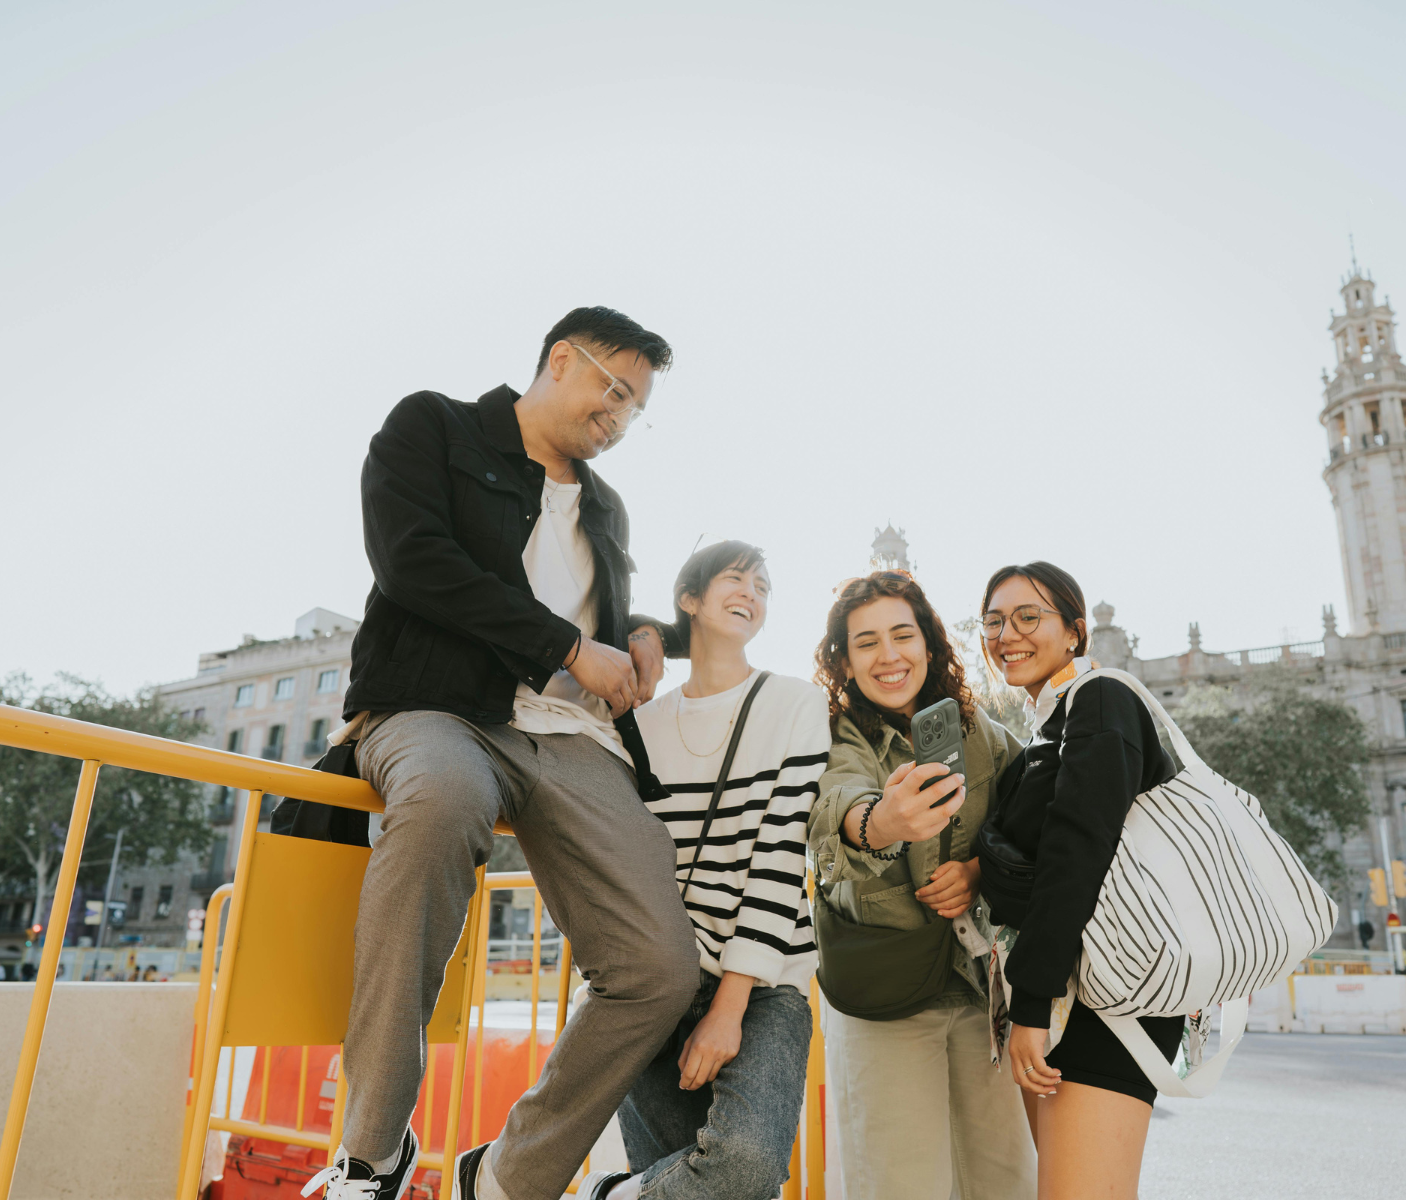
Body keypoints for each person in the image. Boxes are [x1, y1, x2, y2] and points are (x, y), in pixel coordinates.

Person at [311, 308, 701, 1200]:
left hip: (568, 738)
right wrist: (568, 649)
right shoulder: (433, 426)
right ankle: (371, 1152)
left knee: (659, 968)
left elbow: (607, 620)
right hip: (432, 708)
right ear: (560, 359)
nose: (622, 417)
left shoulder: (606, 505)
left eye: (638, 408)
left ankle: (507, 1177)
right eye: (615, 390)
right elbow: (415, 562)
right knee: (443, 801)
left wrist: (639, 633)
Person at [577, 541, 830, 1200]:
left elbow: (779, 855)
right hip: (654, 980)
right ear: (688, 599)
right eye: (735, 577)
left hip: (766, 980)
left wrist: (728, 1008)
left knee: (744, 1167)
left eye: (764, 585)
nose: (753, 591)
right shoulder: (638, 723)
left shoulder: (796, 705)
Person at [807, 571, 1035, 1200]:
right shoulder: (831, 734)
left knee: (1005, 1176)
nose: (889, 656)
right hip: (884, 991)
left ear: (930, 645)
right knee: (900, 1181)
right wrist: (880, 822)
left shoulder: (981, 734)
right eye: (867, 642)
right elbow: (837, 808)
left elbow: (1031, 812)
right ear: (845, 662)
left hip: (974, 986)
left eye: (903, 635)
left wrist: (978, 871)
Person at [976, 561, 1180, 1200]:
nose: (1007, 633)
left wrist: (1030, 1007)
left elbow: (1077, 853)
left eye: (1028, 616)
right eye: (993, 621)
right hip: (1072, 993)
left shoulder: (1101, 699)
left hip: (1106, 1001)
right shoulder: (1049, 724)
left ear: (1074, 631)